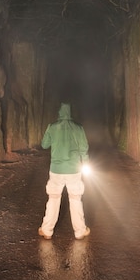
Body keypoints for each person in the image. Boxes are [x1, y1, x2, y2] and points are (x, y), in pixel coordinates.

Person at [38, 102, 90, 240]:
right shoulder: (78, 128)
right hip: (74, 170)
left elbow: (44, 145)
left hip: (56, 170)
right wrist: (86, 163)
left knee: (53, 199)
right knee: (75, 199)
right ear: (70, 113)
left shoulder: (52, 127)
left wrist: (52, 136)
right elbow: (84, 148)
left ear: (59, 113)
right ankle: (80, 231)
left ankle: (47, 230)